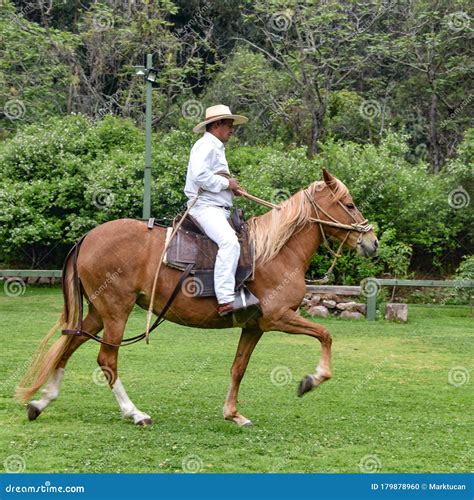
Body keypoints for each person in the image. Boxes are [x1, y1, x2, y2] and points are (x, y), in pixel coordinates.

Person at [184, 104, 248, 316]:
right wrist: (226, 185)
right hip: (204, 207)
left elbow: (214, 178)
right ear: (216, 125)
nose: (232, 130)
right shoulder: (206, 145)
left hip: (217, 207)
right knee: (229, 242)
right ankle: (226, 299)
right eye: (229, 125)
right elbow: (199, 176)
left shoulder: (215, 146)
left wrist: (232, 190)